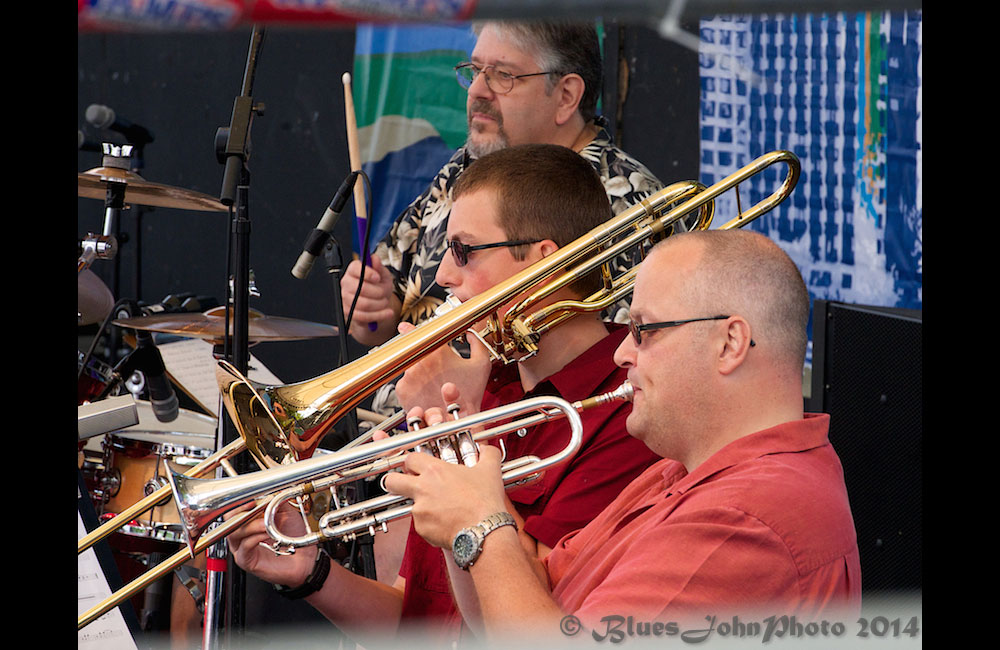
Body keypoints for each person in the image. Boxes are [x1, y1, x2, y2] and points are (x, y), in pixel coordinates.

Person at [225, 144, 661, 646]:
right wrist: (312, 575)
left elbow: (526, 617)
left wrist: (459, 426)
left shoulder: (629, 405)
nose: (442, 277)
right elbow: (422, 624)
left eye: (464, 251)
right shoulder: (489, 385)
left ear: (547, 263)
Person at [386, 229, 862, 641]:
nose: (620, 354)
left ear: (730, 343)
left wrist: (479, 523)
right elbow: (512, 611)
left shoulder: (746, 519)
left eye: (642, 330)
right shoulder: (681, 472)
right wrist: (460, 477)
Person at [340, 20, 666, 350]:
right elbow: (384, 319)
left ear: (566, 95)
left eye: (503, 76)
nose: (477, 90)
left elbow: (630, 364)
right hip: (404, 400)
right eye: (475, 70)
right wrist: (375, 309)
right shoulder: (469, 164)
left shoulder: (630, 209)